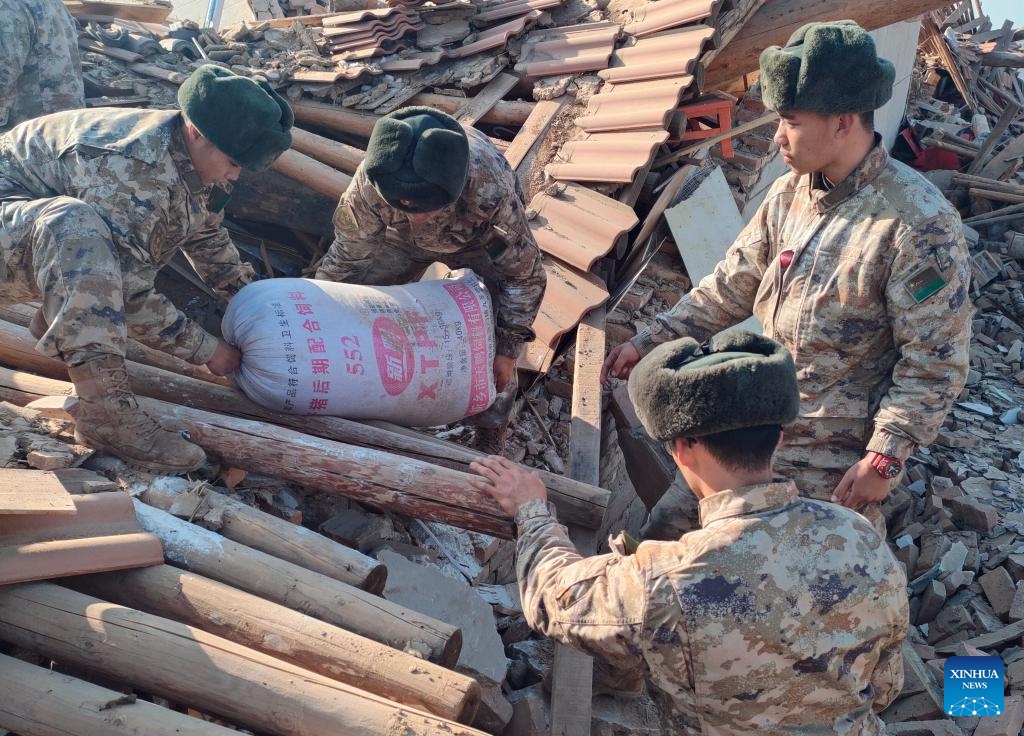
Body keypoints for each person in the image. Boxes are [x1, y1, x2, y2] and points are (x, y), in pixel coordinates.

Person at [601, 20, 972, 535]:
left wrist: (885, 458)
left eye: (791, 121)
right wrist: (651, 340)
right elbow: (732, 283)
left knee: (820, 590)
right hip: (755, 430)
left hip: (836, 459)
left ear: (843, 123)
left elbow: (934, 363)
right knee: (670, 532)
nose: (776, 137)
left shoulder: (917, 224)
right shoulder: (789, 195)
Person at [471, 332, 908, 734]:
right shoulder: (861, 536)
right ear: (779, 438)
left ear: (681, 447)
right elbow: (885, 687)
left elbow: (554, 598)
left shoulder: (671, 582)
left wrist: (531, 510)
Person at [0, 64, 293, 473]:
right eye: (232, 162)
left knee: (81, 233)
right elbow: (121, 288)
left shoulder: (197, 163)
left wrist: (264, 307)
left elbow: (207, 238)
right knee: (73, 224)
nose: (234, 174)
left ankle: (61, 321)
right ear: (197, 132)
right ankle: (107, 415)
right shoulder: (130, 168)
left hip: (21, 235)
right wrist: (208, 351)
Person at [315, 106, 546, 452]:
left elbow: (524, 276)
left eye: (427, 209)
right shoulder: (373, 181)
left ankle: (490, 428)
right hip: (399, 239)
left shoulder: (488, 190)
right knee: (354, 302)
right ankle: (366, 395)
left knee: (494, 351)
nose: (420, 218)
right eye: (408, 207)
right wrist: (320, 303)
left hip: (472, 239)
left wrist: (508, 346)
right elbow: (348, 256)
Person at [0, 0, 85, 132]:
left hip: (29, 129)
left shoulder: (7, 7)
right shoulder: (53, 3)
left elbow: (3, 74)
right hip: (66, 123)